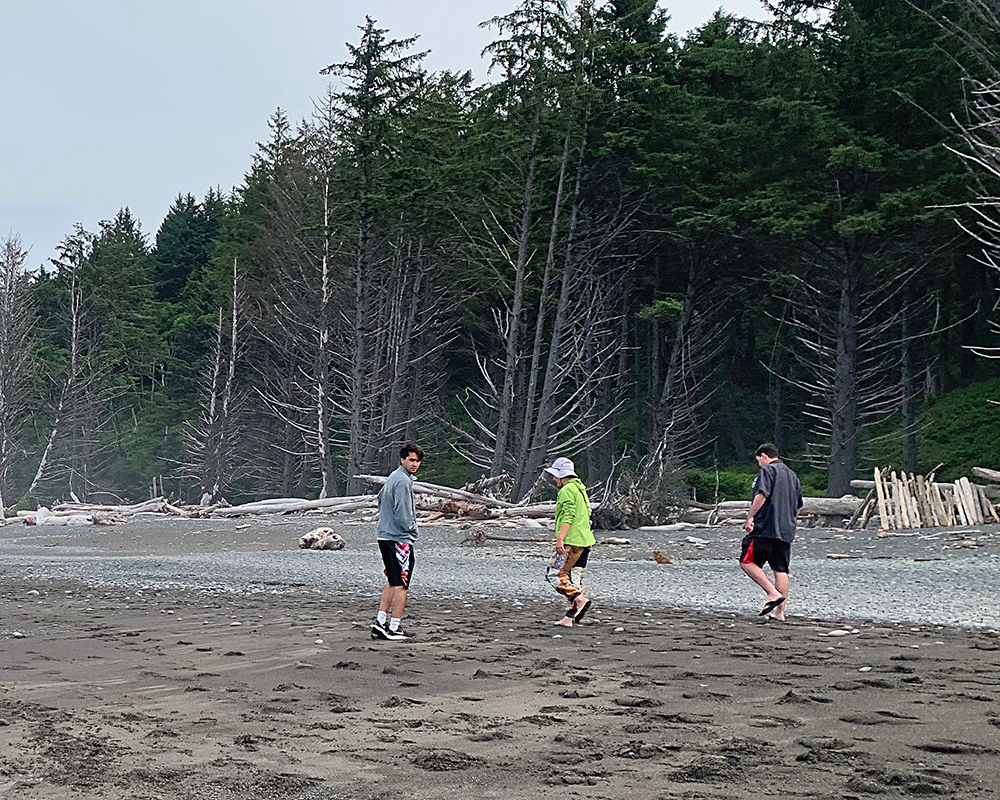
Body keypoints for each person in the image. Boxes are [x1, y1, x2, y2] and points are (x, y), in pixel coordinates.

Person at [741, 443, 803, 621]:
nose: (759, 463)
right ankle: (779, 613)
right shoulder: (792, 475)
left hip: (767, 526)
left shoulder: (768, 471)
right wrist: (790, 521)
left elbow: (762, 494)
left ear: (764, 456)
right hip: (786, 530)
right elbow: (799, 506)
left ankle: (771, 594)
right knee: (780, 569)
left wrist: (750, 517)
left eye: (758, 460)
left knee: (747, 561)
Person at [371, 443, 424, 641]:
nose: (415, 464)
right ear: (402, 460)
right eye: (411, 460)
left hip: (386, 536)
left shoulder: (393, 478)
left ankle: (380, 622)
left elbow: (380, 499)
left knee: (393, 581)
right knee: (401, 583)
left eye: (418, 461)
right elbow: (402, 514)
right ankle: (393, 627)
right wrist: (412, 529)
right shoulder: (402, 481)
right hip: (398, 539)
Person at [544, 457, 596, 627]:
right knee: (574, 579)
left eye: (555, 475)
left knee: (554, 575)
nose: (553, 479)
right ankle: (569, 617)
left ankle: (579, 600)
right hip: (585, 540)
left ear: (561, 475)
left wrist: (560, 538)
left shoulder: (567, 490)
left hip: (571, 542)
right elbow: (586, 512)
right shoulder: (581, 489)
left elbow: (568, 515)